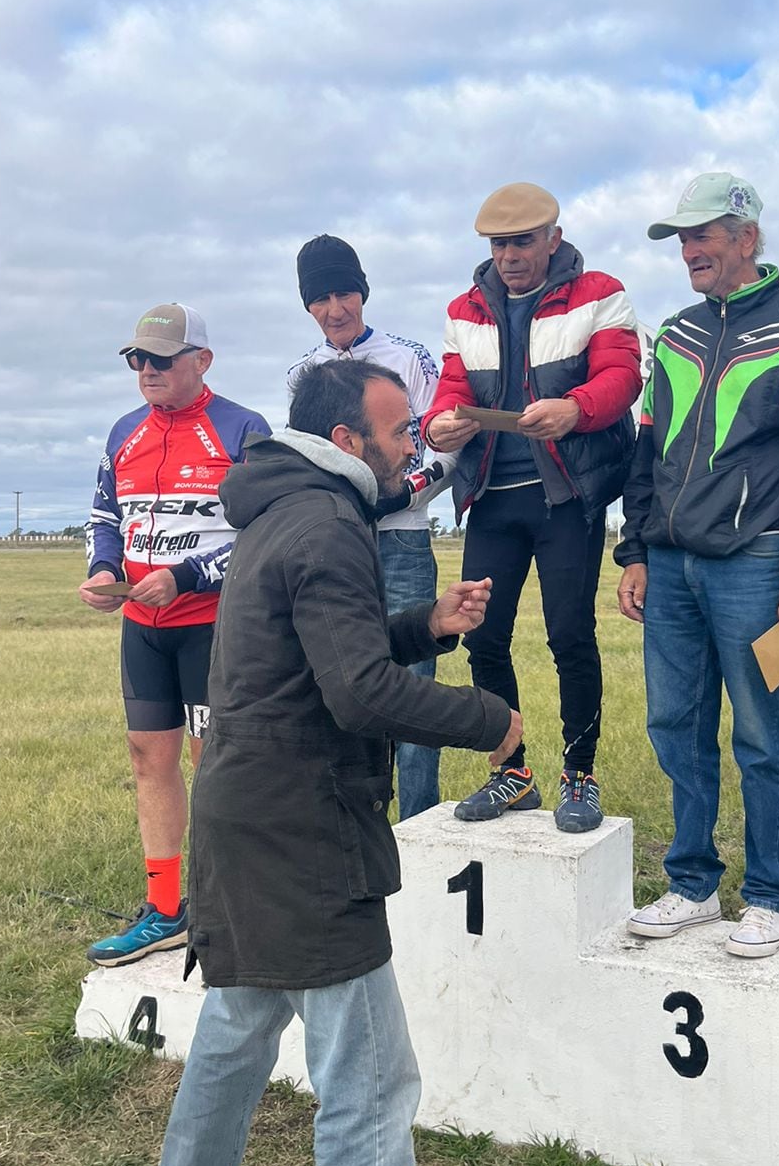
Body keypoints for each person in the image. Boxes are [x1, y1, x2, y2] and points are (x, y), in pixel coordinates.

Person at [127, 361, 518, 1166]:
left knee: (237, 1028)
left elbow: (319, 655)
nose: (410, 447)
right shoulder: (333, 526)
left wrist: (423, 624)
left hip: (241, 821)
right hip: (304, 836)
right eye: (396, 432)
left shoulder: (283, 517)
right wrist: (489, 719)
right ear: (347, 441)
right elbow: (358, 696)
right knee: (370, 1094)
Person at [616, 173, 779, 956]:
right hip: (673, 565)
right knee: (673, 725)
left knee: (759, 734)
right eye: (681, 240)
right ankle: (692, 885)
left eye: (702, 237)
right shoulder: (676, 333)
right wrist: (637, 549)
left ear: (745, 238)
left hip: (757, 566)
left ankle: (771, 895)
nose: (689, 251)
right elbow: (646, 450)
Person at [422, 182, 642, 833]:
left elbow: (623, 376)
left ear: (553, 237)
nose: (510, 255)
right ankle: (512, 772)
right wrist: (438, 427)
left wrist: (576, 409)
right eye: (498, 244)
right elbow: (451, 390)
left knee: (570, 636)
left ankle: (581, 776)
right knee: (482, 637)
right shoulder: (464, 308)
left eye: (522, 241)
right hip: (491, 496)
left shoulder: (600, 293)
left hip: (565, 496)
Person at [79, 303, 270, 966]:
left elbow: (262, 533)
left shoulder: (243, 429)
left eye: (161, 358)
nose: (146, 370)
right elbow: (106, 515)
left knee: (214, 765)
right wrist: (105, 569)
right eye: (137, 358)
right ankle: (165, 909)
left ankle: (228, 906)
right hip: (143, 629)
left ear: (202, 361)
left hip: (214, 627)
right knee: (146, 759)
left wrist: (187, 576)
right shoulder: (124, 431)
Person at [288, 234, 457, 819]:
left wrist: (397, 496)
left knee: (411, 681)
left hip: (402, 539)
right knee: (337, 678)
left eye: (345, 293)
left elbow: (447, 448)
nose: (335, 309)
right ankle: (349, 821)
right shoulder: (302, 374)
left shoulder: (410, 359)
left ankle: (417, 826)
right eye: (320, 299)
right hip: (334, 541)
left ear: (363, 292)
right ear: (307, 305)